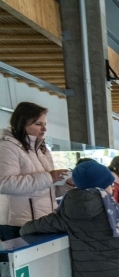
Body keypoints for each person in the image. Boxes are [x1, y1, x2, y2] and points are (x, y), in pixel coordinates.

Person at [0, 101, 71, 240]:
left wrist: (66, 184)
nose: (44, 129)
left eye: (45, 124)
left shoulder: (42, 150)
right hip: (18, 224)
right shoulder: (7, 148)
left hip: (43, 221)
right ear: (22, 123)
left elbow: (48, 189)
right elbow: (4, 184)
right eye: (38, 124)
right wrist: (49, 177)